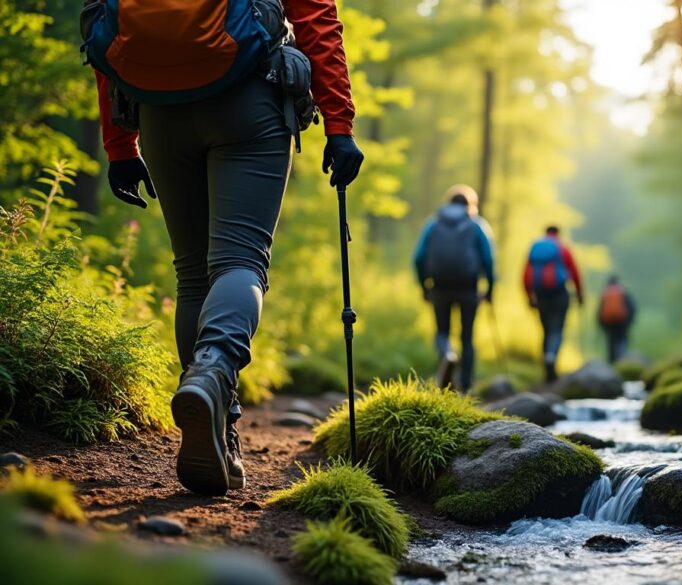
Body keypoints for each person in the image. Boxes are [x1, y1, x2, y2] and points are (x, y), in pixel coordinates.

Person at [85, 0, 364, 496]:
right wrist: (339, 124)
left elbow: (103, 26)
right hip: (248, 97)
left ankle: (222, 433)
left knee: (193, 275)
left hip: (157, 110)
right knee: (240, 261)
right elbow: (317, 18)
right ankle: (213, 366)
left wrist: (119, 144)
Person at [413, 185, 495, 392]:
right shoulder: (476, 225)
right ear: (470, 204)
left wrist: (424, 285)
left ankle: (448, 358)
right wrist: (490, 288)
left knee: (442, 331)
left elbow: (418, 257)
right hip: (468, 287)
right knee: (467, 336)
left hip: (439, 286)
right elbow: (488, 259)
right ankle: (466, 386)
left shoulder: (433, 224)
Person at [523, 226, 583, 382]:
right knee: (557, 329)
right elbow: (575, 272)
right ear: (557, 233)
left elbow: (526, 274)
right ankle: (551, 357)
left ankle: (546, 369)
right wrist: (579, 294)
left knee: (546, 330)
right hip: (559, 294)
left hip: (541, 295)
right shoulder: (562, 247)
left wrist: (529, 296)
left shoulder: (535, 248)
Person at [597, 276, 636, 363]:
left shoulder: (605, 292)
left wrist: (601, 324)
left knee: (610, 342)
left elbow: (600, 310)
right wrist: (630, 321)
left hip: (608, 323)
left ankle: (612, 362)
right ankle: (622, 360)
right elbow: (631, 307)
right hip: (622, 322)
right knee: (621, 339)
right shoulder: (622, 291)